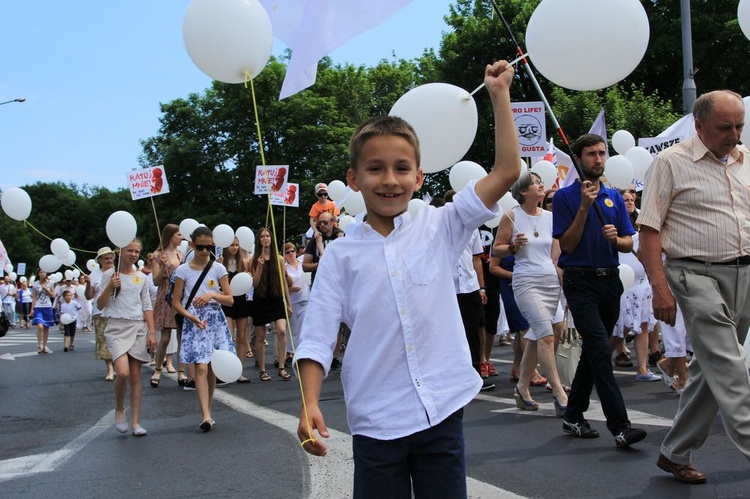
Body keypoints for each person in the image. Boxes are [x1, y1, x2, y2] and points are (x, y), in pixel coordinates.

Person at [295, 60, 521, 498]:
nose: (390, 180)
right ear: (353, 179)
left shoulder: (442, 225)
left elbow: (507, 172)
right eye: (375, 168)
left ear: (419, 177)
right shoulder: (340, 254)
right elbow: (317, 335)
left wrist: (499, 95)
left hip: (442, 410)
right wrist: (308, 403)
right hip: (377, 421)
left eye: (402, 169)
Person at [638, 90, 750, 484]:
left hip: (744, 275)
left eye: (739, 126)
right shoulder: (670, 163)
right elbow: (648, 231)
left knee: (709, 370)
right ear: (698, 125)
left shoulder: (746, 160)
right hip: (694, 274)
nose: (734, 135)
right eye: (725, 127)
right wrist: (659, 288)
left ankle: (674, 452)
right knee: (731, 367)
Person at [552, 133, 647, 448]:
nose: (598, 159)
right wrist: (583, 208)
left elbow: (628, 242)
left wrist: (614, 239)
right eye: (591, 154)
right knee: (597, 348)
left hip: (610, 281)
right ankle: (620, 426)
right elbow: (566, 245)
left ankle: (573, 414)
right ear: (579, 160)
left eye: (602, 153)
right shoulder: (566, 198)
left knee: (595, 352)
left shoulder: (616, 197)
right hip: (580, 281)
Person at [494, 172, 567, 415]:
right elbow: (498, 250)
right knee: (544, 335)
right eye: (536, 183)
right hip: (526, 281)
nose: (542, 185)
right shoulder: (512, 216)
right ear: (524, 191)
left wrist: (563, 281)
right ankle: (559, 392)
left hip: (550, 282)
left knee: (548, 331)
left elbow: (555, 256)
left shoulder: (551, 217)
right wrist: (513, 247)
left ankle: (522, 388)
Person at [172, 226, 236, 431]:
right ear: (192, 245)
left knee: (213, 367)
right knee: (200, 366)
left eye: (209, 247)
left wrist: (212, 295)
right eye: (200, 247)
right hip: (194, 320)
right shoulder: (183, 270)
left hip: (215, 319)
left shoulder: (218, 269)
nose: (205, 251)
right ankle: (205, 415)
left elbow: (230, 299)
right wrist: (189, 315)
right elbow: (176, 302)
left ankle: (207, 411)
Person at [96, 239, 157, 436]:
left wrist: (152, 332)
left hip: (138, 327)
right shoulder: (109, 275)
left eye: (137, 251)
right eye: (130, 250)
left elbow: (146, 305)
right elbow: (100, 305)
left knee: (135, 376)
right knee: (122, 373)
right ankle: (120, 408)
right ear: (120, 251)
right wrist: (109, 286)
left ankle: (136, 422)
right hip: (116, 327)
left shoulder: (142, 277)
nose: (133, 254)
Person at [251, 227, 293, 382]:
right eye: (262, 236)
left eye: (268, 235)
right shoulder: (254, 259)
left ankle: (281, 366)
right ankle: (262, 369)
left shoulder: (280, 259)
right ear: (258, 240)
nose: (265, 238)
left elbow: (283, 284)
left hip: (276, 299)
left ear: (272, 238)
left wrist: (289, 304)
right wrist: (259, 267)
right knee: (260, 336)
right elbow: (254, 284)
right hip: (260, 299)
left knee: (282, 330)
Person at [149, 224, 184, 388]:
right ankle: (157, 369)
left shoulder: (180, 254)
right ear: (170, 236)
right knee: (165, 337)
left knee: (182, 336)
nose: (181, 238)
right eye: (178, 235)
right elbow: (155, 281)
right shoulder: (157, 255)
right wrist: (163, 266)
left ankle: (181, 371)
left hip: (180, 296)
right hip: (165, 296)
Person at [219, 237, 252, 383]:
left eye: (237, 245)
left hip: (241, 302)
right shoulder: (220, 263)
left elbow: (250, 281)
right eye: (232, 245)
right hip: (227, 302)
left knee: (242, 338)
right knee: (228, 337)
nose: (235, 247)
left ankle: (239, 370)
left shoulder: (244, 262)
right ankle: (226, 370)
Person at [87, 247, 117, 381]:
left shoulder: (118, 271)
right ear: (100, 260)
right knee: (103, 339)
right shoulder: (94, 275)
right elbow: (89, 296)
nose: (109, 260)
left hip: (117, 310)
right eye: (106, 258)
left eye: (111, 258)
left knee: (117, 339)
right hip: (100, 311)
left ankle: (118, 365)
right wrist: (88, 283)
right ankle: (110, 369)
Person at [283, 241, 309, 366]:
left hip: (305, 298)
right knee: (292, 329)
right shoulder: (284, 268)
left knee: (303, 328)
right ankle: (291, 352)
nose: (291, 254)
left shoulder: (302, 263)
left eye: (292, 251)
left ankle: (300, 353)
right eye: (287, 252)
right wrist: (290, 288)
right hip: (293, 300)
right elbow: (282, 287)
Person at [30, 268, 55, 353]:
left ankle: (44, 346)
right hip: (38, 307)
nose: (42, 273)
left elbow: (52, 295)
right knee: (40, 326)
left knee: (46, 327)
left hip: (47, 306)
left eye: (44, 272)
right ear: (38, 274)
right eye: (41, 272)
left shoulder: (50, 283)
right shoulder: (35, 284)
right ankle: (39, 344)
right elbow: (34, 297)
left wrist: (46, 290)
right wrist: (32, 309)